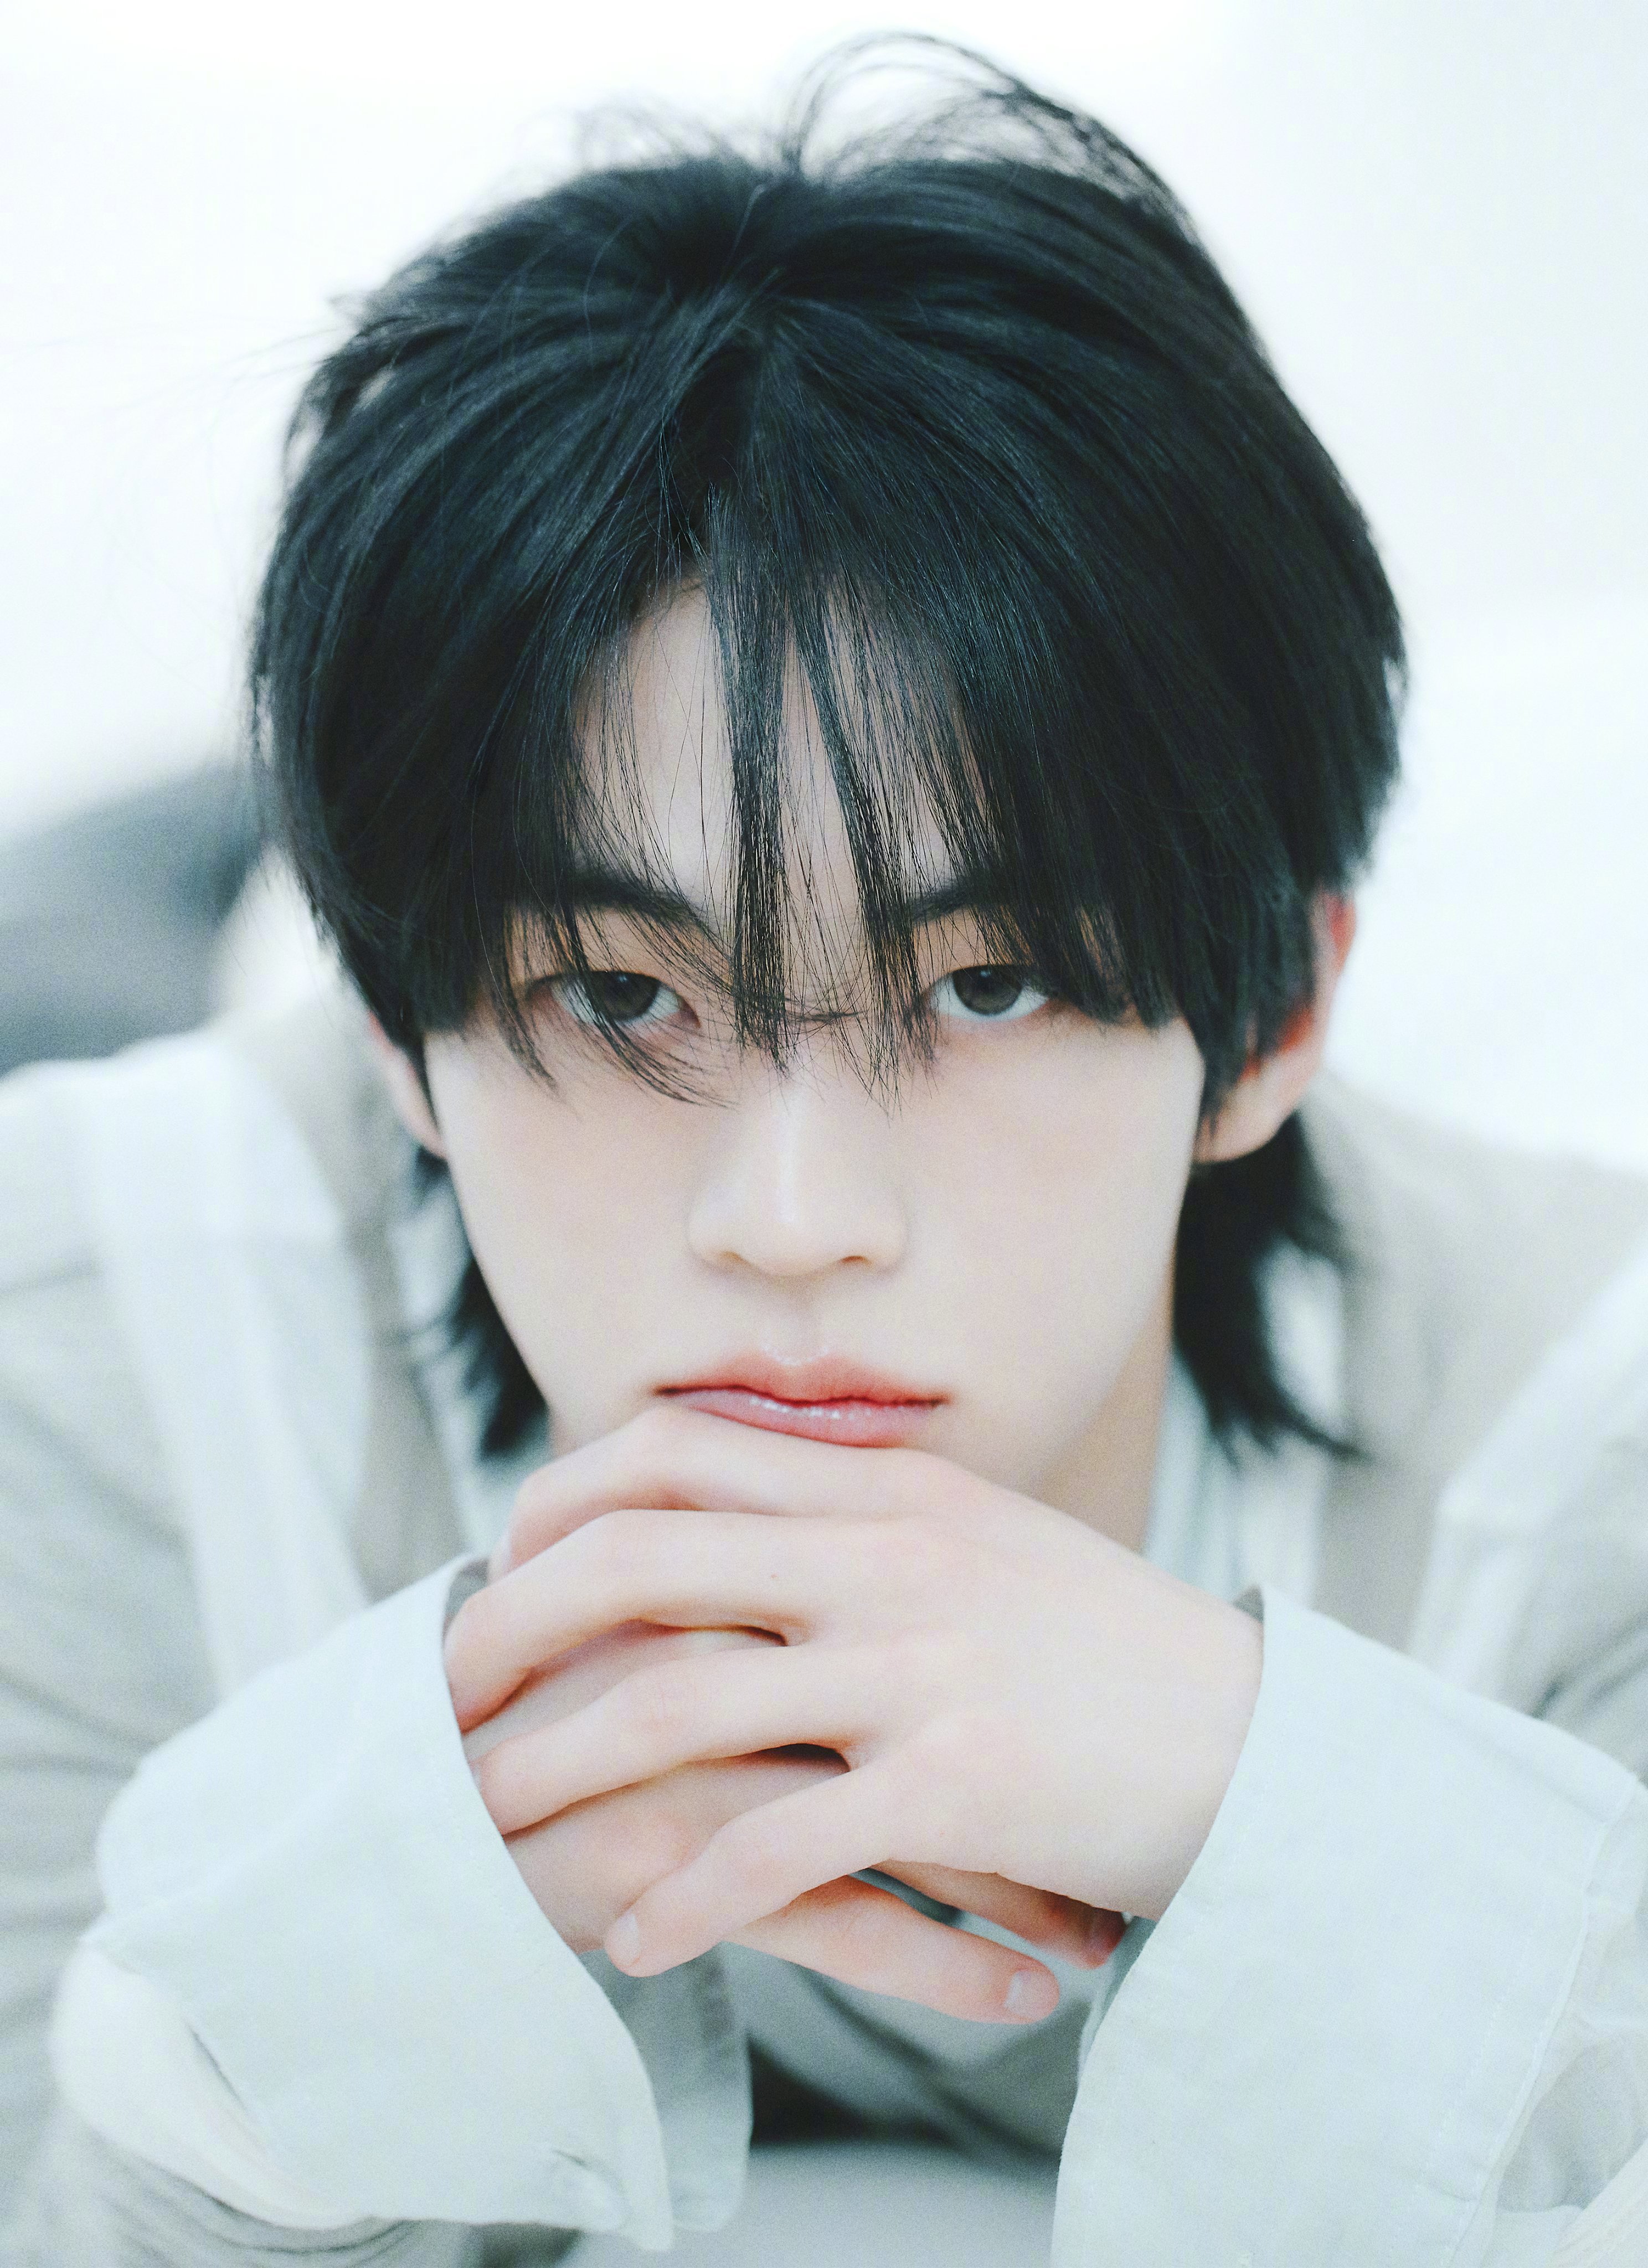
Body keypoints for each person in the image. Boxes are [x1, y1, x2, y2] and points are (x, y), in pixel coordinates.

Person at [3, 40, 1647, 2267]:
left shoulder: (1582, 1451)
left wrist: (1279, 1797)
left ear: (1274, 1015)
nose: (793, 1224)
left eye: (992, 981)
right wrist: (332, 1949)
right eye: (622, 994)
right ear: (396, 1021)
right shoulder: (99, 1338)